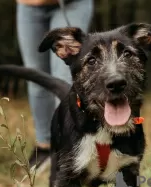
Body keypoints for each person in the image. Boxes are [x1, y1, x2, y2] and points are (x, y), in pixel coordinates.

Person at [16, 0, 94, 170]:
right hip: (29, 6)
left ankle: (67, 146)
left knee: (64, 76)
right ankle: (43, 145)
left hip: (71, 4)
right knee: (36, 76)